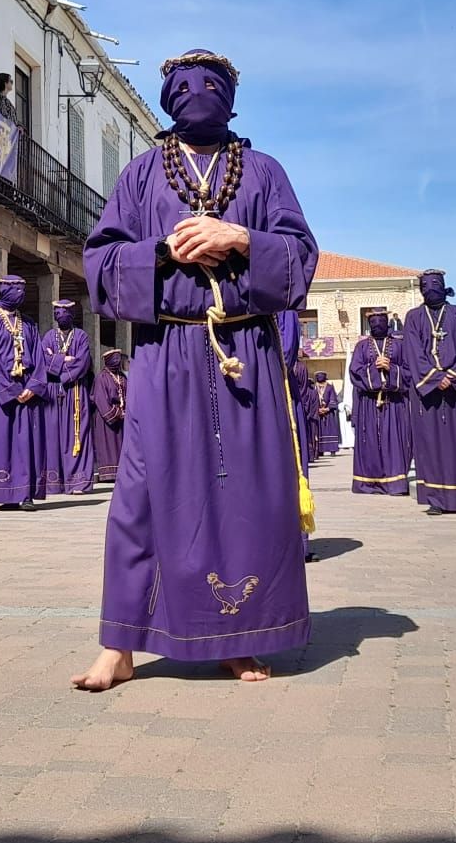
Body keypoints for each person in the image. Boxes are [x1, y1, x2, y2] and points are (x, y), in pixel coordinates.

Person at [74, 48, 318, 690]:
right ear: (166, 98)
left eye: (211, 85)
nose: (196, 94)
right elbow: (99, 264)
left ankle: (241, 637)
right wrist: (159, 252)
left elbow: (300, 256)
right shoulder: (140, 175)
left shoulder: (264, 173)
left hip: (247, 356)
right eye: (182, 86)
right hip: (165, 353)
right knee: (139, 495)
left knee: (250, 496)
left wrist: (240, 240)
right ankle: (120, 645)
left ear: (232, 97)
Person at [0, 275, 47, 508]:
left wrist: (33, 387)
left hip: (27, 390)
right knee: (1, 442)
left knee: (25, 443)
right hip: (0, 393)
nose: (20, 294)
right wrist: (10, 389)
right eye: (16, 289)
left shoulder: (30, 324)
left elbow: (40, 358)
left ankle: (24, 494)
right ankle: (3, 492)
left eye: (23, 290)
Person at [404, 270, 456, 515]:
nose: (430, 288)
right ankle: (435, 498)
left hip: (453, 391)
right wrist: (434, 378)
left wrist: (451, 376)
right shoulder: (413, 317)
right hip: (427, 394)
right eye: (425, 285)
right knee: (429, 443)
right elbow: (412, 351)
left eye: (435, 284)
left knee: (455, 443)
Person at [348, 312, 412, 495]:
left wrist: (390, 368)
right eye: (373, 322)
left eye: (381, 321)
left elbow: (409, 373)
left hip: (394, 402)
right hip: (369, 402)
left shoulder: (400, 345)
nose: (377, 325)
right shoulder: (361, 347)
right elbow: (355, 372)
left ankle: (395, 483)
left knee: (394, 440)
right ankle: (368, 482)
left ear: (388, 323)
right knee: (370, 442)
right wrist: (374, 368)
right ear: (368, 324)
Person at [36, 299, 95, 494]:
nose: (61, 317)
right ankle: (54, 482)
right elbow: (42, 362)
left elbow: (82, 363)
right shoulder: (48, 337)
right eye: (58, 313)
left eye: (65, 313)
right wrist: (65, 359)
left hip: (75, 392)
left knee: (77, 435)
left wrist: (57, 361)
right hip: (53, 392)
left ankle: (77, 482)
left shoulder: (82, 336)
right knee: (52, 435)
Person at [92, 347, 128, 483]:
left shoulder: (122, 377)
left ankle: (121, 471)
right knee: (108, 446)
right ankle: (108, 474)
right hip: (107, 420)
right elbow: (100, 400)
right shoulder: (101, 378)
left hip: (123, 418)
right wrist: (116, 413)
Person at [311, 371, 342, 455]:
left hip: (328, 413)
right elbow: (312, 399)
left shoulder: (329, 387)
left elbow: (333, 399)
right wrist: (317, 409)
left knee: (330, 430)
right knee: (319, 431)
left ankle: (332, 449)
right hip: (318, 413)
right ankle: (320, 450)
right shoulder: (314, 387)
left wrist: (327, 409)